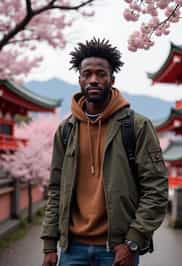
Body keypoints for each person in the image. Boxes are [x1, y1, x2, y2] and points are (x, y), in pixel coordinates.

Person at [41, 38, 168, 266]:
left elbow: (156, 188)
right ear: (79, 79)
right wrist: (50, 244)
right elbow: (55, 188)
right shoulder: (66, 130)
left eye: (101, 74)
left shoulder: (136, 126)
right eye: (87, 74)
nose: (93, 80)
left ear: (112, 79)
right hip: (71, 249)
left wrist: (133, 241)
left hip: (117, 248)